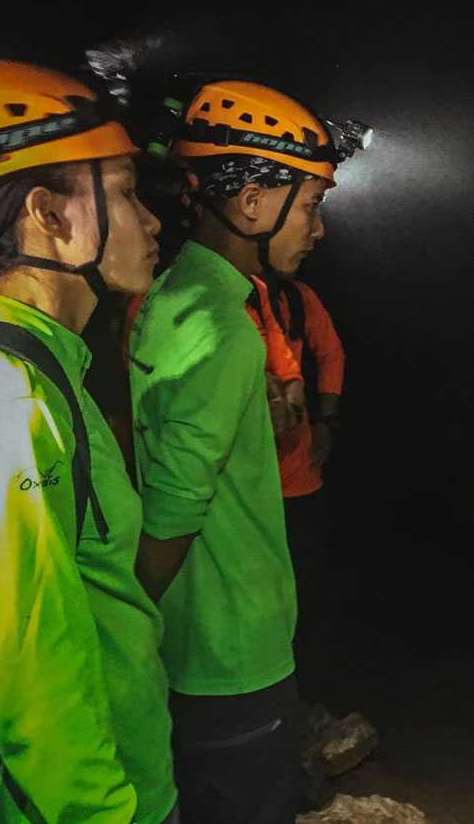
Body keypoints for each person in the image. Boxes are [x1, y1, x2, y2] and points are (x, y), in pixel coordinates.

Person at [128, 80, 358, 823]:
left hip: (185, 642)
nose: (317, 229)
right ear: (254, 201)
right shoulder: (226, 329)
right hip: (231, 651)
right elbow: (174, 505)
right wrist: (128, 622)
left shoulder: (166, 298)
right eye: (312, 203)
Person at [0, 59, 176, 823]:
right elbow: (32, 671)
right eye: (121, 191)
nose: (151, 222)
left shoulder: (45, 368)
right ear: (47, 215)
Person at [245, 274, 345, 693]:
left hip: (298, 478)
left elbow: (331, 355)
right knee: (257, 606)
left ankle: (305, 699)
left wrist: (325, 421)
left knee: (305, 600)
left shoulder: (295, 298)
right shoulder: (217, 301)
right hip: (246, 490)